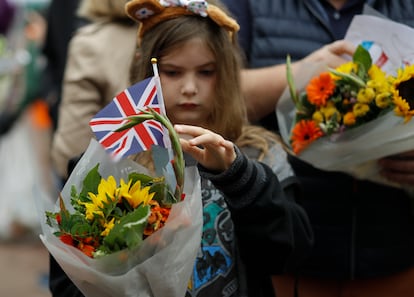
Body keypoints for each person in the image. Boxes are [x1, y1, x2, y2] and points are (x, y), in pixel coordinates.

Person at [48, 0, 314, 296]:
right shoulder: (110, 161)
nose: (189, 87)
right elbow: (68, 280)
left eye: (206, 72)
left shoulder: (260, 154)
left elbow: (290, 253)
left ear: (226, 72)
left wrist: (239, 177)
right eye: (172, 72)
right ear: (145, 69)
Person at [220, 0, 414, 296]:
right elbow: (210, 91)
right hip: (286, 257)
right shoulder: (248, 6)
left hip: (393, 253)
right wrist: (303, 73)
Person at [50, 0, 137, 180]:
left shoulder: (93, 44)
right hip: (202, 188)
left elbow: (72, 150)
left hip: (122, 195)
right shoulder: (201, 30)